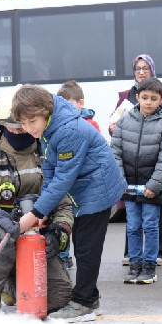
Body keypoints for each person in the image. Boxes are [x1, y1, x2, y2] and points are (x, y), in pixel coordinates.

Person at [13, 84, 126, 322]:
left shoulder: (68, 130)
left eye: (31, 121)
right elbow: (52, 170)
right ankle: (90, 297)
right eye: (23, 123)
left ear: (45, 111)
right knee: (83, 244)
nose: (27, 128)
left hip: (98, 189)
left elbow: (64, 178)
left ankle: (84, 304)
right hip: (85, 189)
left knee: (86, 248)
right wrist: (44, 209)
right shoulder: (50, 126)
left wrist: (34, 213)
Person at [0, 87, 73, 313]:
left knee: (57, 298)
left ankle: (12, 285)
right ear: (2, 126)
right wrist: (1, 221)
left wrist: (58, 233)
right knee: (1, 246)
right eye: (14, 127)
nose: (21, 131)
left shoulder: (49, 155)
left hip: (36, 235)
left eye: (26, 125)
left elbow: (63, 204)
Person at [109, 54, 162, 267]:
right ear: (138, 97)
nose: (141, 71)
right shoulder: (125, 100)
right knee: (132, 222)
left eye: (145, 67)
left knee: (153, 220)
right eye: (138, 68)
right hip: (129, 177)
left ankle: (154, 258)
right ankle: (133, 258)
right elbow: (116, 142)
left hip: (153, 174)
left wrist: (155, 182)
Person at [56, 79, 100, 270]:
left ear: (81, 103)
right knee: (64, 220)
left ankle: (82, 258)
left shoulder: (91, 124)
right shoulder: (59, 125)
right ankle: (63, 256)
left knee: (82, 227)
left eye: (69, 103)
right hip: (67, 183)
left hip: (84, 184)